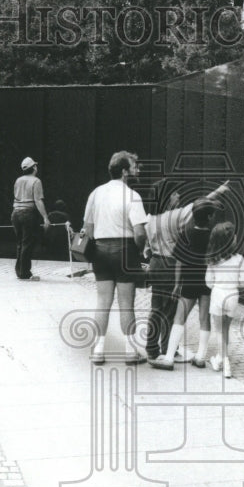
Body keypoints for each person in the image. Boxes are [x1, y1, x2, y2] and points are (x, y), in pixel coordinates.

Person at [143, 180, 229, 359]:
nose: (178, 196)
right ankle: (168, 349)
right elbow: (199, 205)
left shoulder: (150, 218)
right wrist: (219, 190)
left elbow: (147, 248)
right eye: (175, 194)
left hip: (155, 264)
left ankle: (151, 348)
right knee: (171, 310)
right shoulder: (174, 215)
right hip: (169, 265)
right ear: (167, 198)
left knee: (156, 308)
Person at [83, 151, 149, 364]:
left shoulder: (95, 193)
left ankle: (98, 351)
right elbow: (140, 232)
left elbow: (88, 228)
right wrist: (138, 251)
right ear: (124, 171)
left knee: (102, 302)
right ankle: (130, 351)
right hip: (125, 250)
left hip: (100, 250)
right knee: (126, 304)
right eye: (133, 166)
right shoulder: (132, 196)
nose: (137, 169)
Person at [150, 198, 219, 370]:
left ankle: (168, 358)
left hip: (189, 281)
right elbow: (216, 260)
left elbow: (179, 261)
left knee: (179, 318)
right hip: (207, 282)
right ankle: (201, 357)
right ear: (210, 217)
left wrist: (176, 284)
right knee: (204, 318)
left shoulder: (185, 235)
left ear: (193, 217)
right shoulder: (213, 236)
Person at [205, 221, 244, 379]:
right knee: (225, 330)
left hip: (217, 294)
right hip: (232, 296)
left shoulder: (213, 260)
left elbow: (208, 282)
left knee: (218, 331)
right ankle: (219, 359)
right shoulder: (239, 259)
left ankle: (225, 361)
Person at [11, 156, 51, 280]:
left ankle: (19, 271)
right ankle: (25, 273)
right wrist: (45, 217)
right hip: (28, 213)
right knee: (27, 243)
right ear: (33, 167)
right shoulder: (36, 181)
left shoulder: (18, 180)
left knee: (20, 243)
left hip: (16, 213)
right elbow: (38, 200)